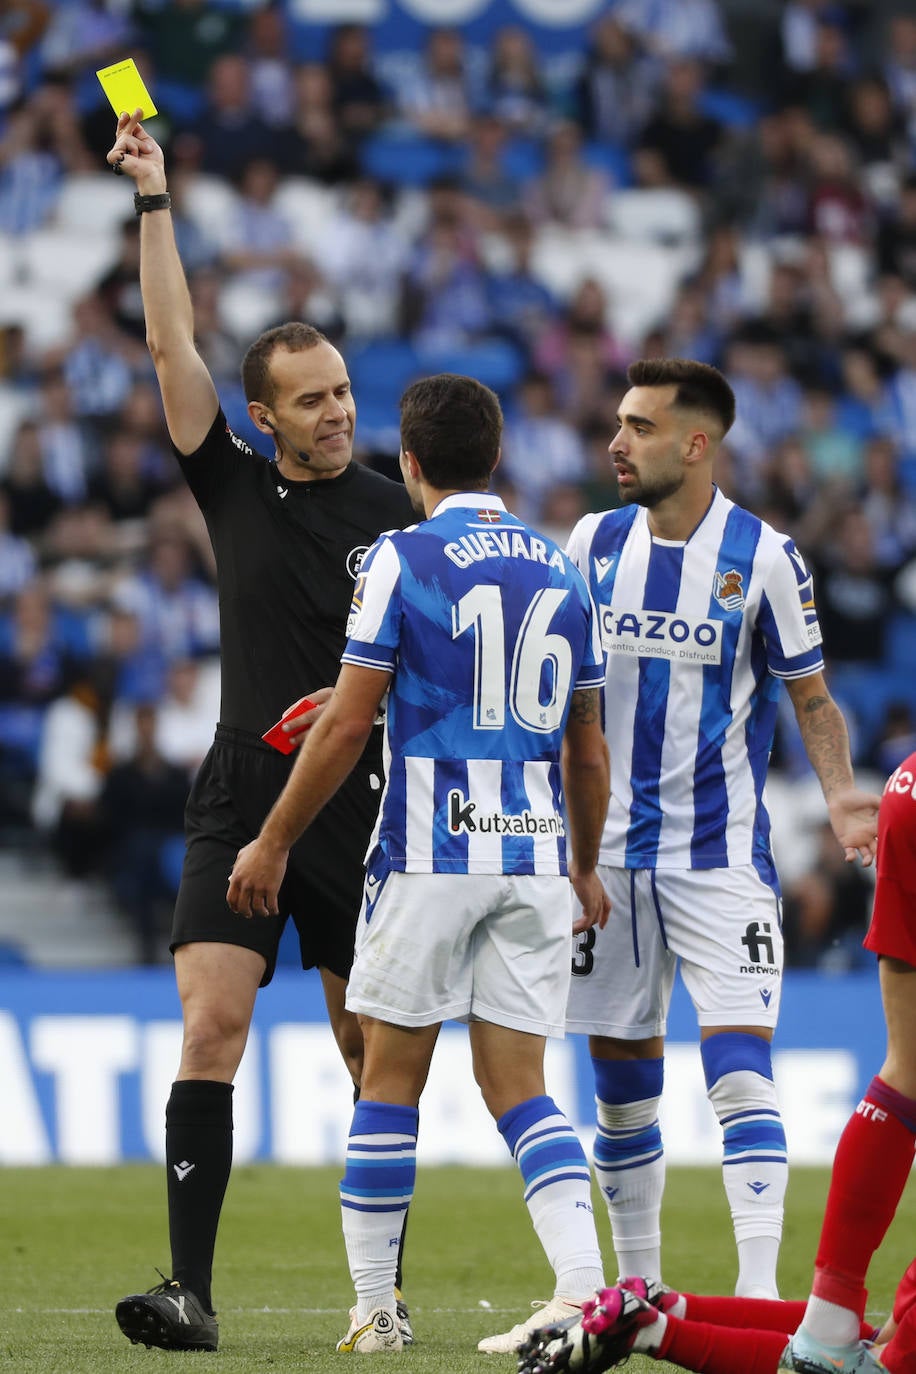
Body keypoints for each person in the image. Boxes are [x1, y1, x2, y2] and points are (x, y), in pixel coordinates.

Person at [104, 111, 415, 1353]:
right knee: (211, 1028)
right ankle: (189, 1293)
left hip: (358, 802)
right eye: (312, 400)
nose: (337, 412)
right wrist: (154, 198)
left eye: (343, 391)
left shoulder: (399, 513)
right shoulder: (227, 482)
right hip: (242, 785)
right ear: (262, 414)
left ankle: (378, 1298)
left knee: (362, 1054)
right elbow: (169, 338)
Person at [226, 372, 612, 1355]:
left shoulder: (402, 555)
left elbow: (352, 718)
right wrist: (581, 864)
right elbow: (586, 747)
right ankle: (579, 1290)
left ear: (407, 464)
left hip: (429, 850)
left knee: (389, 1078)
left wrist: (271, 837)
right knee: (522, 1086)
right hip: (530, 854)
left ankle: (375, 1309)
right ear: (495, 457)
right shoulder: (563, 570)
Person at [548, 359, 880, 1308]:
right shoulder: (593, 542)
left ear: (696, 444)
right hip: (603, 860)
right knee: (622, 1090)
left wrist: (844, 794)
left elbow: (809, 697)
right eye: (617, 422)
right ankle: (639, 1286)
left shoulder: (765, 557)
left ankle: (760, 1291)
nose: (616, 442)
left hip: (720, 856)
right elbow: (557, 688)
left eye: (640, 426)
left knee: (739, 1073)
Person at [517, 748, 916, 1374]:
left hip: (899, 792)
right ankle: (651, 1309)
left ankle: (658, 1304)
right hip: (628, 853)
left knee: (902, 1074)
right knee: (884, 1361)